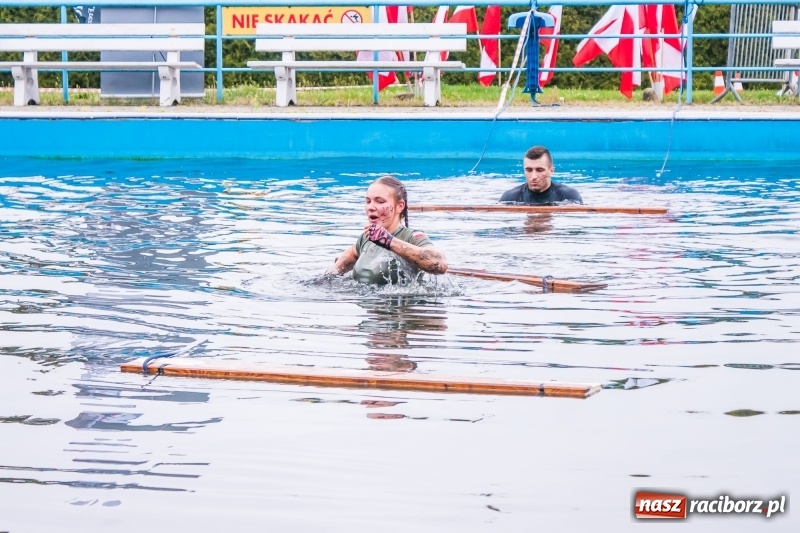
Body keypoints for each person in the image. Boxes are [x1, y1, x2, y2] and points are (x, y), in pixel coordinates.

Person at [327, 175, 448, 285]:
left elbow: (440, 264)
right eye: (368, 201)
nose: (371, 207)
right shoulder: (365, 238)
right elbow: (346, 259)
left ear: (400, 206)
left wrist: (389, 241)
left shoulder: (412, 237)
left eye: (380, 201)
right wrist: (330, 275)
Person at [500, 145, 583, 205]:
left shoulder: (569, 196)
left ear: (551, 171)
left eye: (539, 170)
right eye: (529, 170)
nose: (534, 176)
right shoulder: (510, 198)